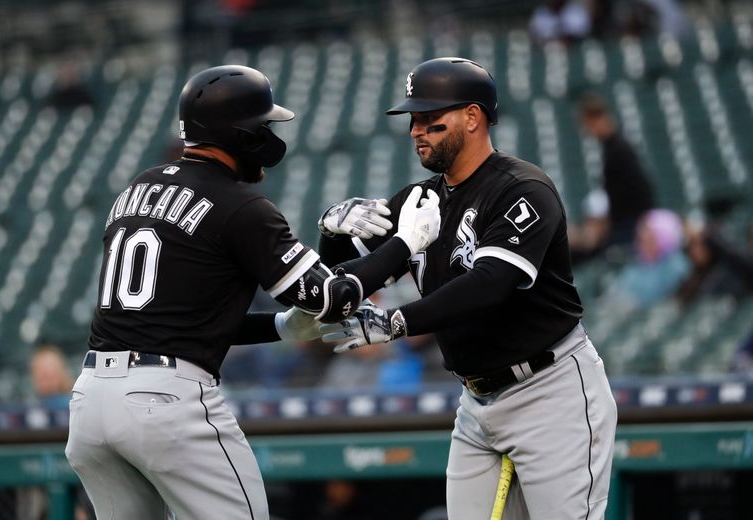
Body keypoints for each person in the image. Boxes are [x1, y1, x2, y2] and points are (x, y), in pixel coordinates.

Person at [65, 64, 441, 520]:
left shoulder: (136, 188)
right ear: (240, 134)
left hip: (90, 400)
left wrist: (283, 327)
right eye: (263, 126)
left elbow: (181, 320)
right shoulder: (240, 204)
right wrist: (406, 243)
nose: (269, 136)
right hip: (166, 402)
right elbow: (333, 300)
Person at [319, 57, 617, 519]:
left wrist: (397, 322)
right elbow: (342, 277)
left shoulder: (523, 188)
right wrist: (331, 231)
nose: (417, 130)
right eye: (413, 120)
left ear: (473, 117)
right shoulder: (418, 201)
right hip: (476, 402)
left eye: (431, 120)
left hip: (550, 389)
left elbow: (490, 284)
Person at [576, 92, 655, 252]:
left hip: (631, 224)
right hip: (625, 222)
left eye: (587, 124)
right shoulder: (611, 148)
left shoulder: (619, 149)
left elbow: (638, 189)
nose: (587, 131)